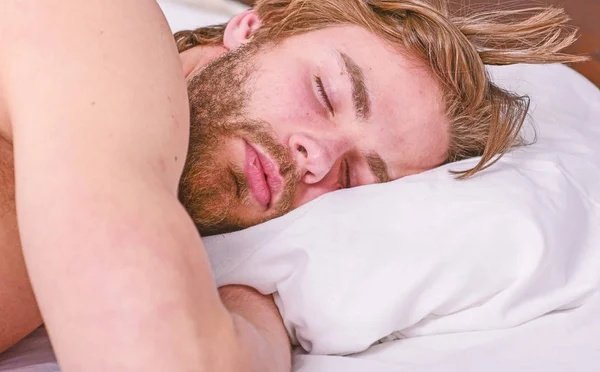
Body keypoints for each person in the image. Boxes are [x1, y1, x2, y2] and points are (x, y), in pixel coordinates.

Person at [0, 0, 586, 370]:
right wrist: (255, 308)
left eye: (356, 178)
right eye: (326, 93)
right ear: (255, 26)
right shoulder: (103, 28)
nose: (318, 157)